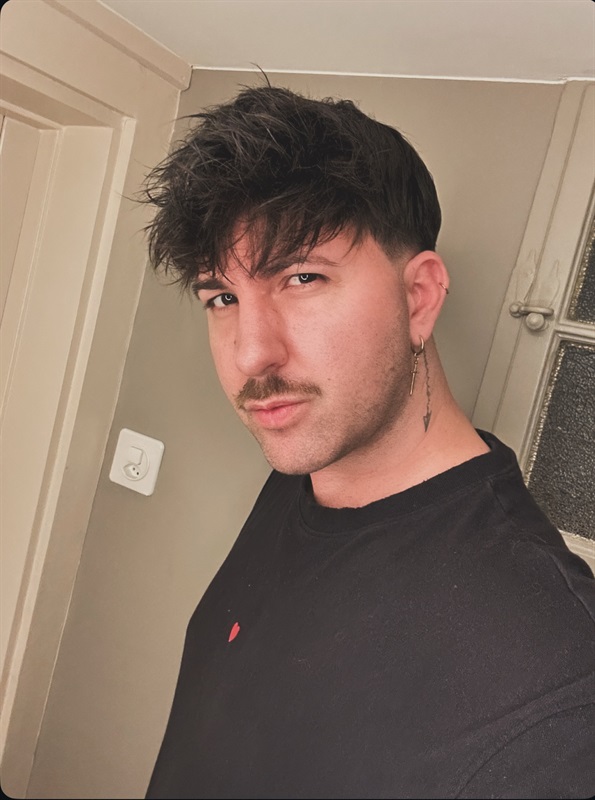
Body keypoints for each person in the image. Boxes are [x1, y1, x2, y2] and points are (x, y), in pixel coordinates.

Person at [142, 86, 595, 799]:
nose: (251, 355)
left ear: (419, 298)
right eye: (222, 298)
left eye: (301, 277)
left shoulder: (555, 692)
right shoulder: (305, 470)